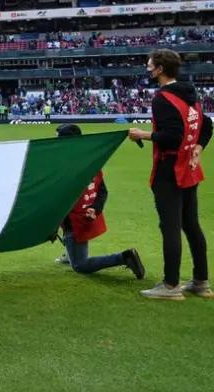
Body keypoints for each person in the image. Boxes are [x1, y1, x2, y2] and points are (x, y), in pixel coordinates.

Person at [128, 49, 212, 300]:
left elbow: (172, 137)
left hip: (170, 170)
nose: (147, 69)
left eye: (150, 65)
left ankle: (171, 285)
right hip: (189, 169)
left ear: (160, 69)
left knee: (171, 227)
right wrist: (198, 147)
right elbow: (207, 124)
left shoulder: (163, 98)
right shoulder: (190, 94)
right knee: (191, 225)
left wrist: (143, 135)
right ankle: (201, 282)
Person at [54, 124, 145, 278]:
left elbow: (61, 200)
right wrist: (96, 208)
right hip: (87, 215)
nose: (55, 141)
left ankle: (124, 257)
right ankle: (69, 253)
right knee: (73, 244)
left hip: (76, 221)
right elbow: (102, 190)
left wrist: (52, 226)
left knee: (80, 265)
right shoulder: (90, 161)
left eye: (58, 138)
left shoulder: (64, 167)